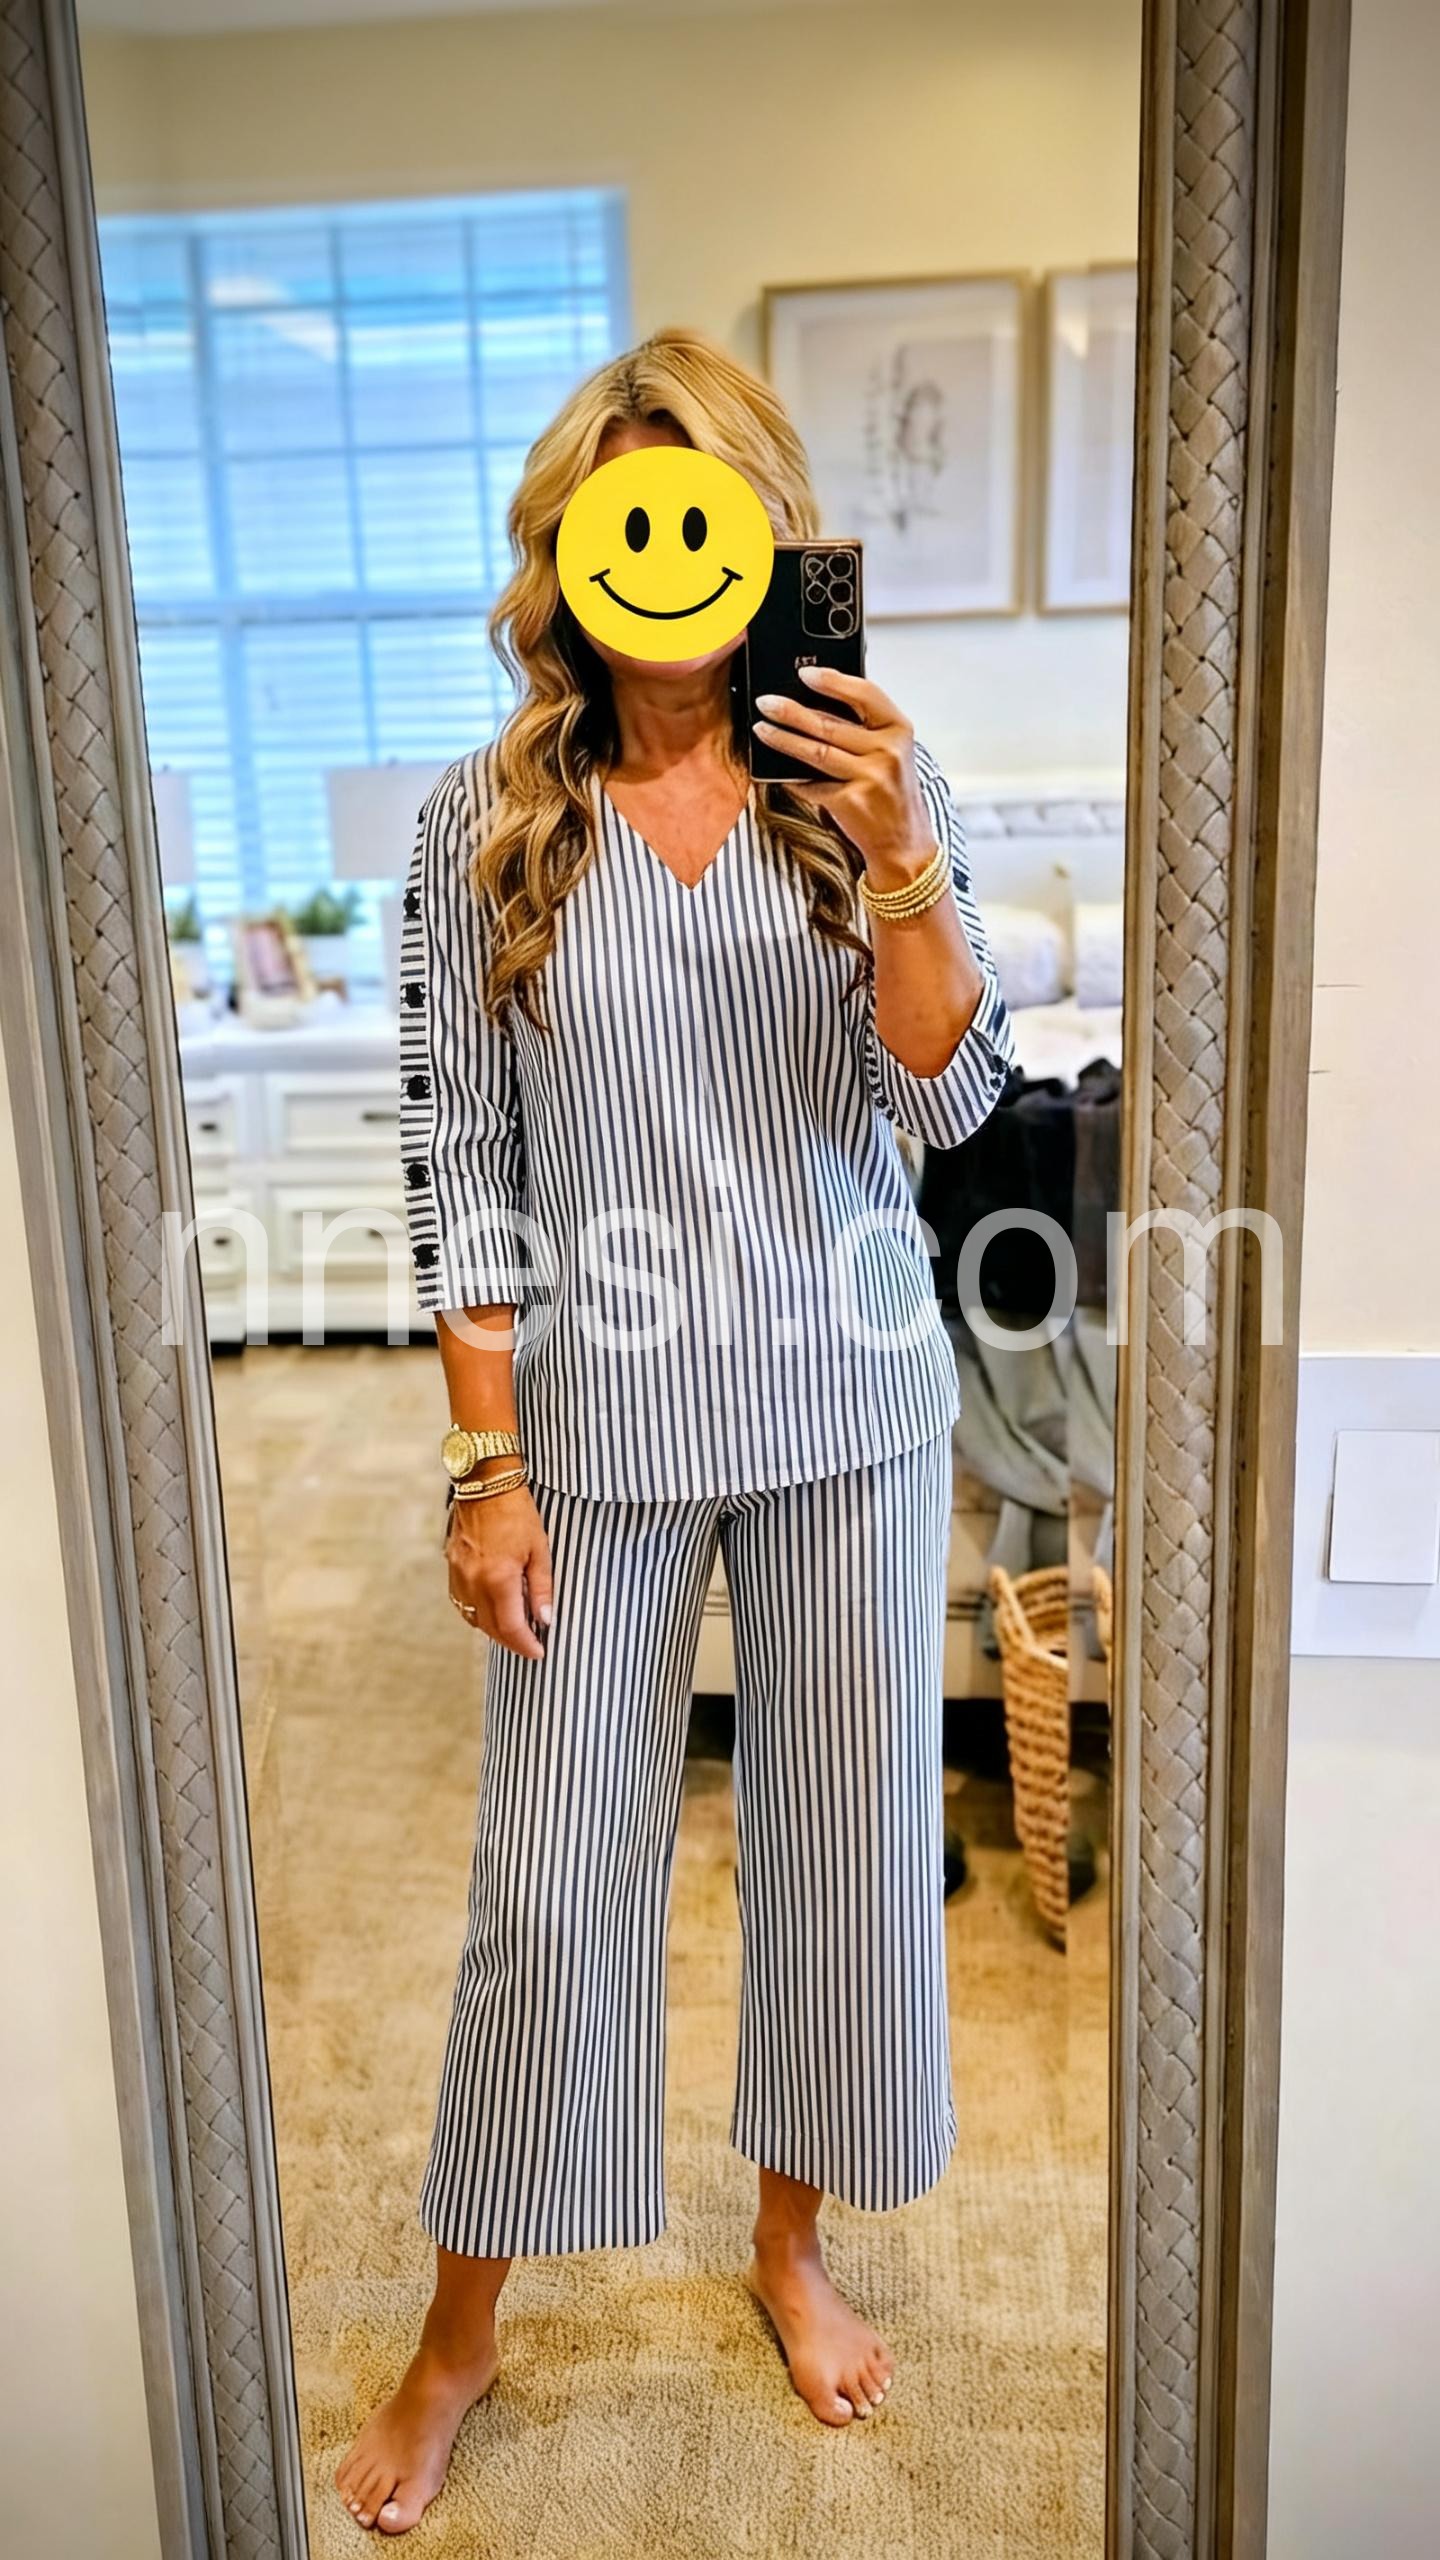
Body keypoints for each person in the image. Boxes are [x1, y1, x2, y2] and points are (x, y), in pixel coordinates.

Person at [336, 326, 1013, 2536]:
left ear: (763, 537)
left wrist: (899, 862)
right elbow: (459, 1160)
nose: (658, 561)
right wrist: (483, 1466)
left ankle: (789, 2245)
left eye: (699, 512)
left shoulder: (873, 779)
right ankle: (462, 2329)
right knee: (548, 1886)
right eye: (611, 520)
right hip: (597, 1433)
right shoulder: (483, 822)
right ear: (565, 554)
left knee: (842, 1862)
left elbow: (954, 1101)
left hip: (849, 1408)